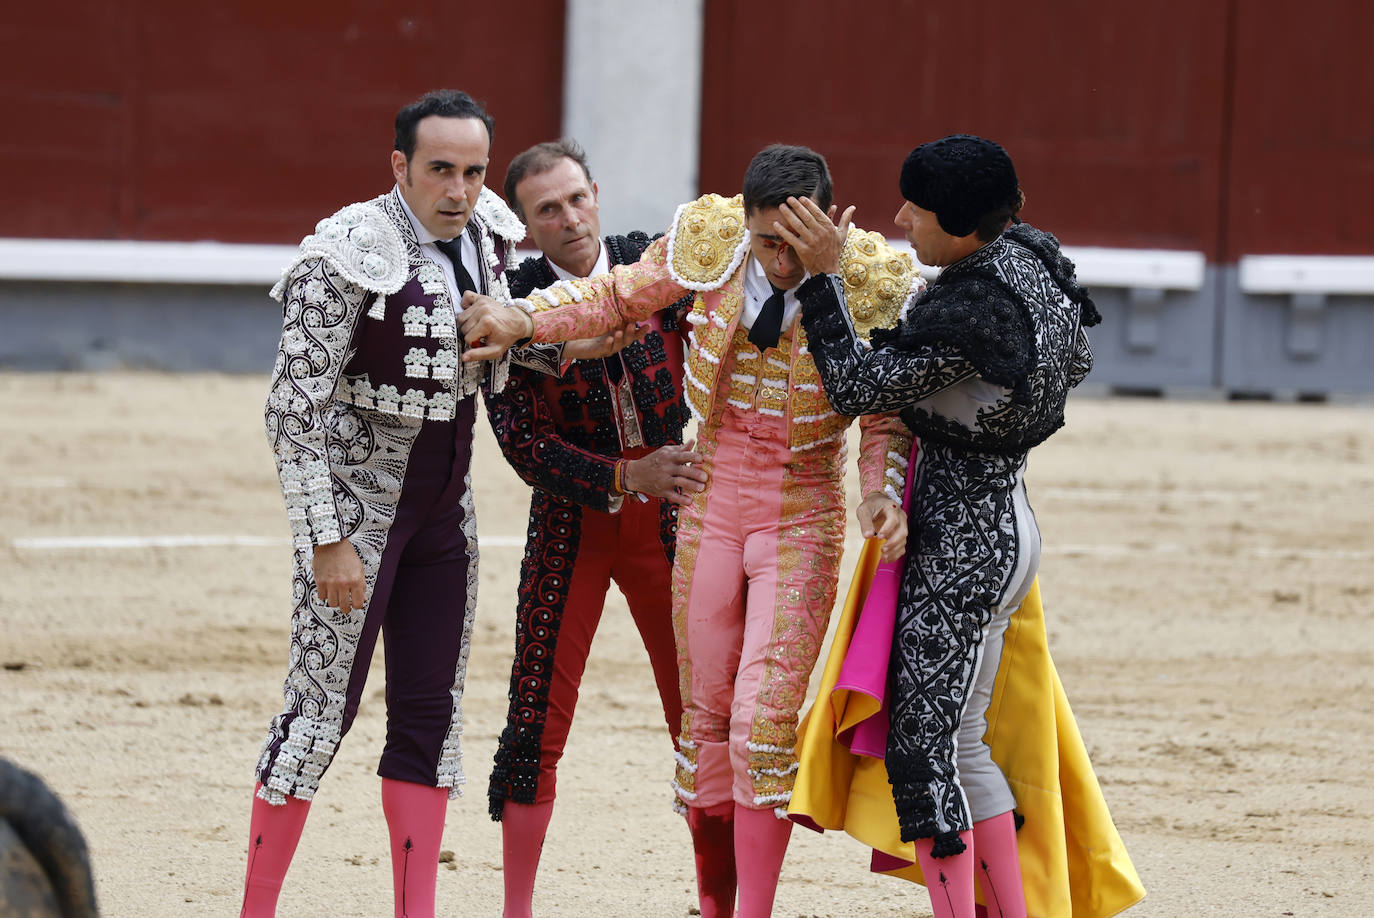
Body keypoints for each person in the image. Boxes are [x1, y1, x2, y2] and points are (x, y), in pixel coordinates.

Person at [458, 144, 917, 918]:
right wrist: (522, 316)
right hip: (709, 502)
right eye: (766, 239)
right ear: (747, 221)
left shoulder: (868, 280)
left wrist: (879, 490)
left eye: (795, 244)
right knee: (704, 725)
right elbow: (613, 299)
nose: (777, 259)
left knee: (760, 726)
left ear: (827, 225)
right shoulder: (712, 244)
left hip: (803, 510)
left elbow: (883, 411)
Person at [241, 89, 563, 918]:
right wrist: (327, 539)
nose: (459, 190)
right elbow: (292, 407)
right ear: (400, 167)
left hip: (444, 520)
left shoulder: (491, 232)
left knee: (430, 719)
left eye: (474, 171)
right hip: (359, 513)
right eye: (440, 171)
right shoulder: (346, 248)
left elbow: (505, 353)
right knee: (318, 714)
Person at [772, 134, 1103, 918]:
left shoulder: (975, 306)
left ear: (958, 225)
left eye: (914, 212)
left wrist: (824, 280)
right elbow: (1077, 359)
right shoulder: (1029, 257)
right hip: (1003, 520)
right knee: (962, 747)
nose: (899, 220)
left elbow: (856, 387)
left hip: (959, 542)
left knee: (924, 753)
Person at [484, 139, 706, 918]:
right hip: (572, 522)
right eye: (548, 209)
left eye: (577, 199)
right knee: (535, 716)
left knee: (701, 715)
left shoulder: (652, 266)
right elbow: (522, 445)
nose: (570, 218)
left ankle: (720, 904)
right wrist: (623, 476)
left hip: (673, 516)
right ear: (525, 224)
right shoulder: (508, 300)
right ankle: (517, 909)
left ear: (596, 193)